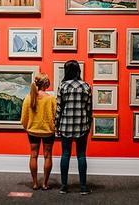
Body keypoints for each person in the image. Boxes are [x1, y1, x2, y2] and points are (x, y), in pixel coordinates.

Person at [55, 60, 92, 195]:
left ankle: (64, 186)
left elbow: (59, 108)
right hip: (82, 124)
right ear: (78, 71)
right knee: (81, 155)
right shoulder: (86, 86)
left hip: (65, 125)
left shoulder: (63, 86)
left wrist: (56, 125)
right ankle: (83, 187)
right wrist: (89, 124)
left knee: (65, 154)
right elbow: (89, 108)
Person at [21, 73, 56, 191]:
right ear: (46, 84)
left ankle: (35, 183)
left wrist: (28, 127)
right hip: (48, 132)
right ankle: (45, 184)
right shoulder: (51, 98)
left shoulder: (28, 97)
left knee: (33, 155)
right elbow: (55, 115)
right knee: (48, 156)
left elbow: (24, 118)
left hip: (33, 131)